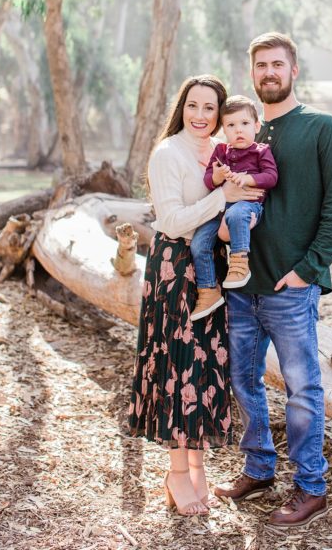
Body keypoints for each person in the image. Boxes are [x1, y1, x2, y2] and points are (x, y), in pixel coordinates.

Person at [214, 32, 332, 529]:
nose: (269, 73)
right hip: (241, 288)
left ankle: (311, 487)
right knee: (243, 381)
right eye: (261, 66)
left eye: (278, 64)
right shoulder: (240, 134)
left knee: (301, 389)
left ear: (294, 70)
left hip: (289, 288)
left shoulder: (321, 128)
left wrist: (307, 271)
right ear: (251, 74)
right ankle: (259, 468)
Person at [126, 75, 264, 515]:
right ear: (181, 108)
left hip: (211, 272)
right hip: (174, 270)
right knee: (177, 366)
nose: (201, 116)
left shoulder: (222, 151)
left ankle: (198, 465)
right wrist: (222, 195)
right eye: (193, 106)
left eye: (210, 108)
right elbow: (170, 221)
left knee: (206, 366)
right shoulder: (169, 153)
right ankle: (176, 472)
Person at [189, 95, 278, 321]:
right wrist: (217, 176)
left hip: (248, 207)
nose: (238, 130)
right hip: (218, 210)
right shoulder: (220, 151)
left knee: (237, 214)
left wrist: (247, 179)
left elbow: (271, 177)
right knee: (199, 243)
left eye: (245, 124)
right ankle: (208, 291)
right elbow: (209, 180)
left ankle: (240, 263)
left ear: (257, 126)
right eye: (231, 125)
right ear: (223, 130)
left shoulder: (261, 151)